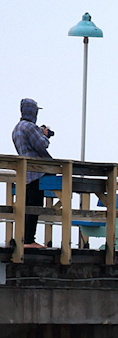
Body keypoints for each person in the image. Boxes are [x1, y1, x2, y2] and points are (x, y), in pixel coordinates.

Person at [11, 98, 54, 248]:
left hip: (26, 174)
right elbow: (42, 145)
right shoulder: (29, 127)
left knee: (26, 206)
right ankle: (29, 240)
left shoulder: (17, 128)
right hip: (37, 173)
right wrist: (44, 134)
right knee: (34, 206)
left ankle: (22, 238)